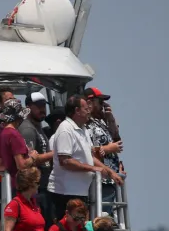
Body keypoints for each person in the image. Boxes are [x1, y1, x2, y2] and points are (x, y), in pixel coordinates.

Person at [47, 94, 122, 222]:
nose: (89, 111)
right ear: (76, 110)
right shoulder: (66, 129)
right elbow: (65, 161)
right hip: (64, 194)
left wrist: (110, 172)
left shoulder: (83, 129)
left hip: (79, 193)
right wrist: (93, 169)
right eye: (86, 108)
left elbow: (90, 156)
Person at [84, 87, 124, 216]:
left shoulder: (101, 122)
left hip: (110, 179)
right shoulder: (85, 123)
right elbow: (86, 151)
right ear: (90, 103)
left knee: (110, 216)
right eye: (100, 102)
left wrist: (110, 118)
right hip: (99, 179)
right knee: (102, 216)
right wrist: (108, 149)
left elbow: (117, 140)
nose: (103, 106)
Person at [19, 91, 54, 224]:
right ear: (28, 107)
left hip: (44, 184)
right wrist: (55, 153)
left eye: (44, 106)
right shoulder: (28, 129)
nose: (42, 109)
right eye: (38, 106)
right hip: (36, 186)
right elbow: (28, 160)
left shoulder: (38, 127)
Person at [3, 167, 46, 231]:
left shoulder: (34, 203)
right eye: (37, 183)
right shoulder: (15, 204)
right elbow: (7, 230)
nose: (39, 186)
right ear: (31, 184)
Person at [0, 99, 34, 191]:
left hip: (6, 186)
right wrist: (33, 157)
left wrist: (10, 166)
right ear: (19, 118)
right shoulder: (15, 135)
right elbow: (21, 165)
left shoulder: (1, 134)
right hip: (19, 187)